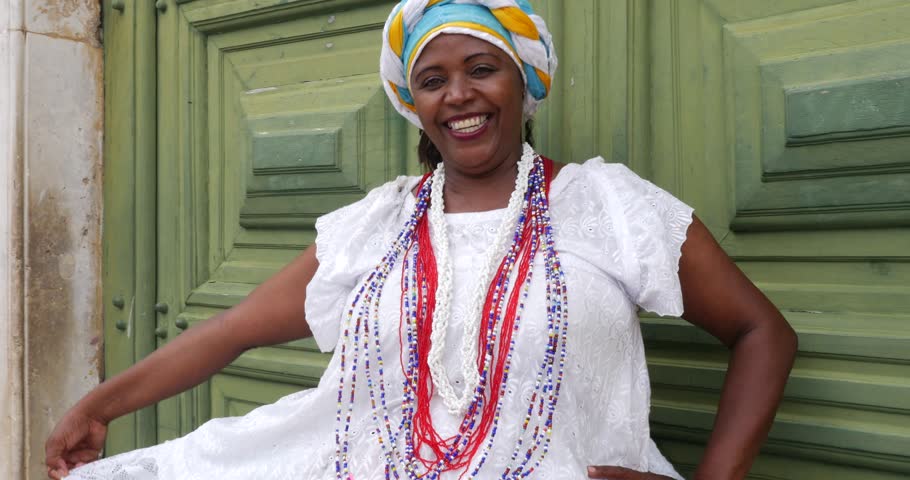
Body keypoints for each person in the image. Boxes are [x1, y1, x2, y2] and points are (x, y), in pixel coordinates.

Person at [45, 1, 798, 479]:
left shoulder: (606, 205)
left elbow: (761, 330)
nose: (459, 94)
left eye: (481, 68)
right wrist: (101, 404)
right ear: (416, 104)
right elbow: (233, 329)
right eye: (432, 79)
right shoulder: (380, 224)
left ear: (523, 86)